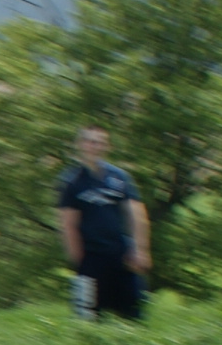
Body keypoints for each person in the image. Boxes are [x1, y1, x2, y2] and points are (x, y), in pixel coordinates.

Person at [54, 125, 152, 320]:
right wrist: (79, 261)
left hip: (121, 254)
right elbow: (68, 225)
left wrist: (140, 250)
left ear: (107, 146)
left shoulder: (120, 177)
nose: (95, 146)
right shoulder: (71, 181)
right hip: (90, 256)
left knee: (133, 314)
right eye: (90, 142)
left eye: (100, 142)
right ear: (81, 144)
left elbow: (137, 214)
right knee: (89, 318)